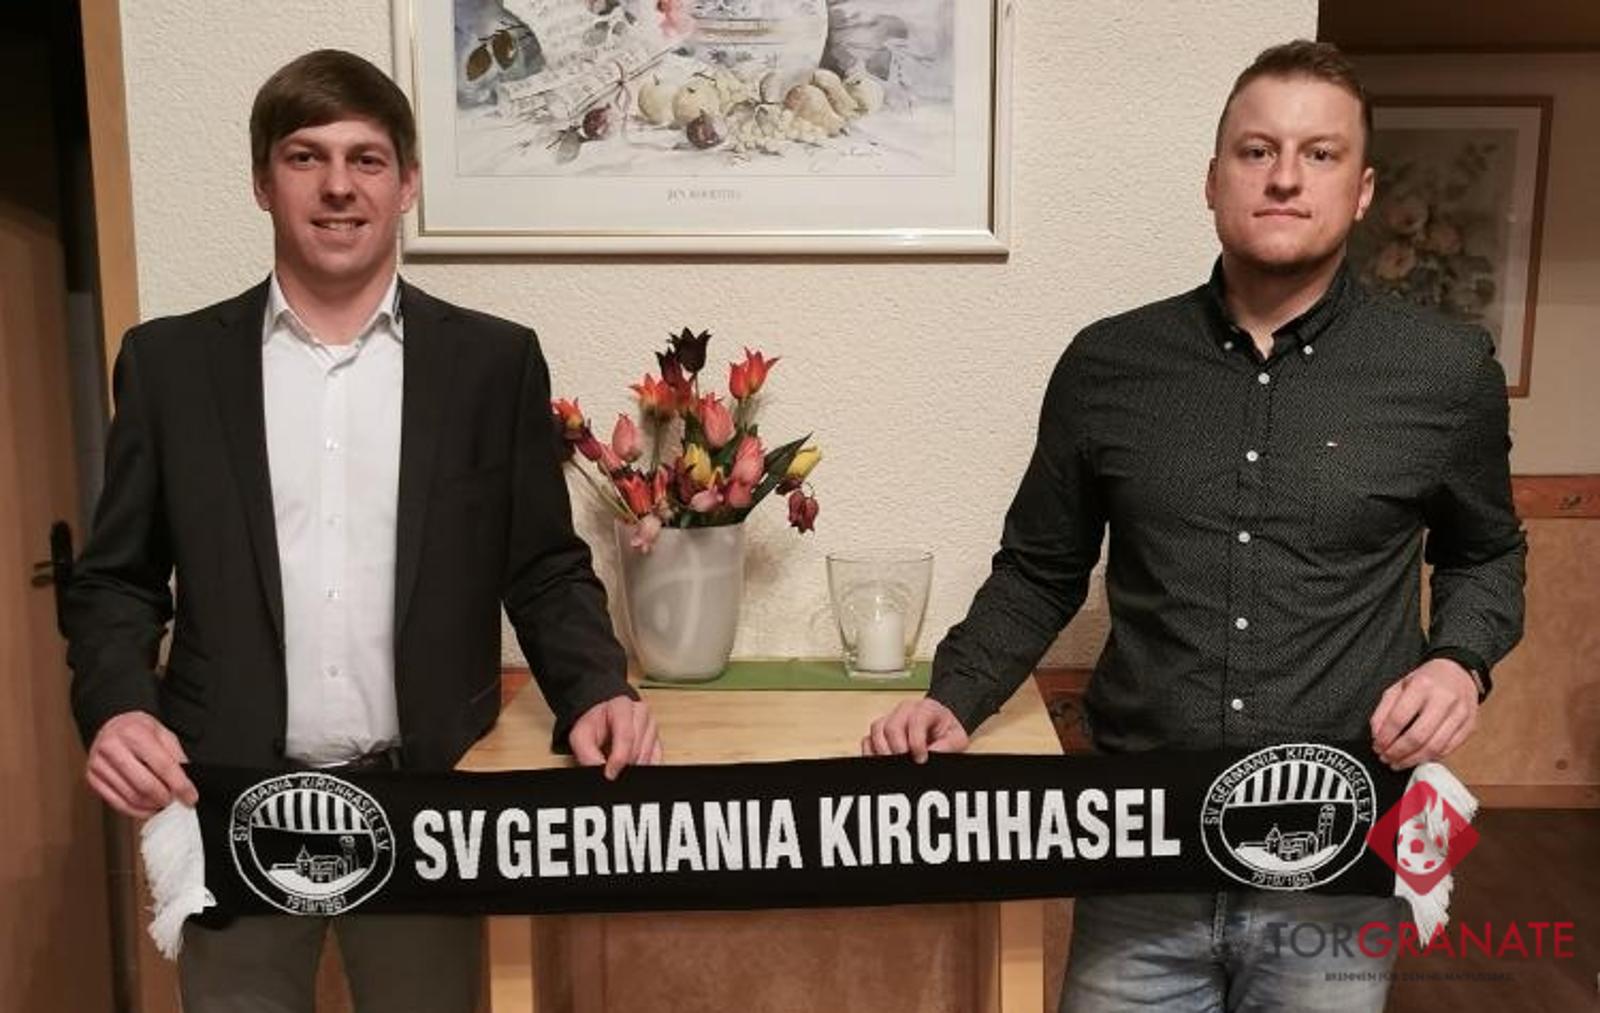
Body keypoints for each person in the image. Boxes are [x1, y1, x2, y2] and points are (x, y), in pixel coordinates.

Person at [863, 39, 1524, 1012]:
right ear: (1213, 179)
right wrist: (954, 694)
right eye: (1257, 151)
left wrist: (1458, 662)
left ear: (1362, 191)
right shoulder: (1106, 364)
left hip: (1335, 861)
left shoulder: (1445, 371)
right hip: (1142, 855)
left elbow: (1486, 552)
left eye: (1320, 153)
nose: (1285, 177)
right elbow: (1042, 566)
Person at [63, 49, 659, 1013]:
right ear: (262, 182)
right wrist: (119, 706)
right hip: (228, 795)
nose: (338, 186)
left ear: (407, 183)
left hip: (426, 798)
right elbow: (116, 579)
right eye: (305, 157)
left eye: (366, 159)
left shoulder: (492, 363)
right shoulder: (170, 364)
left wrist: (597, 687)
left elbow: (544, 566)